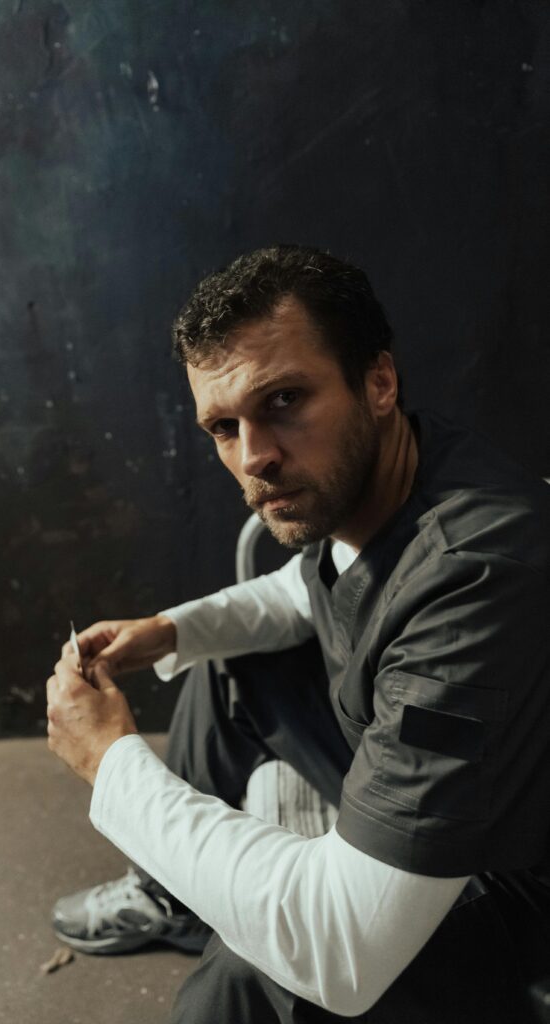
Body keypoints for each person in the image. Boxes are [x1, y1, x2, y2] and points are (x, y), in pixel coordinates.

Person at [45, 245, 550, 1022]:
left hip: (510, 891)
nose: (255, 457)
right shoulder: (390, 468)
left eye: (283, 400)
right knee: (223, 660)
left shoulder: (476, 572)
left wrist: (112, 765)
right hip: (446, 777)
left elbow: (340, 948)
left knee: (244, 977)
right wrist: (172, 630)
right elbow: (313, 585)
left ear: (377, 382)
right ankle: (173, 896)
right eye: (222, 426)